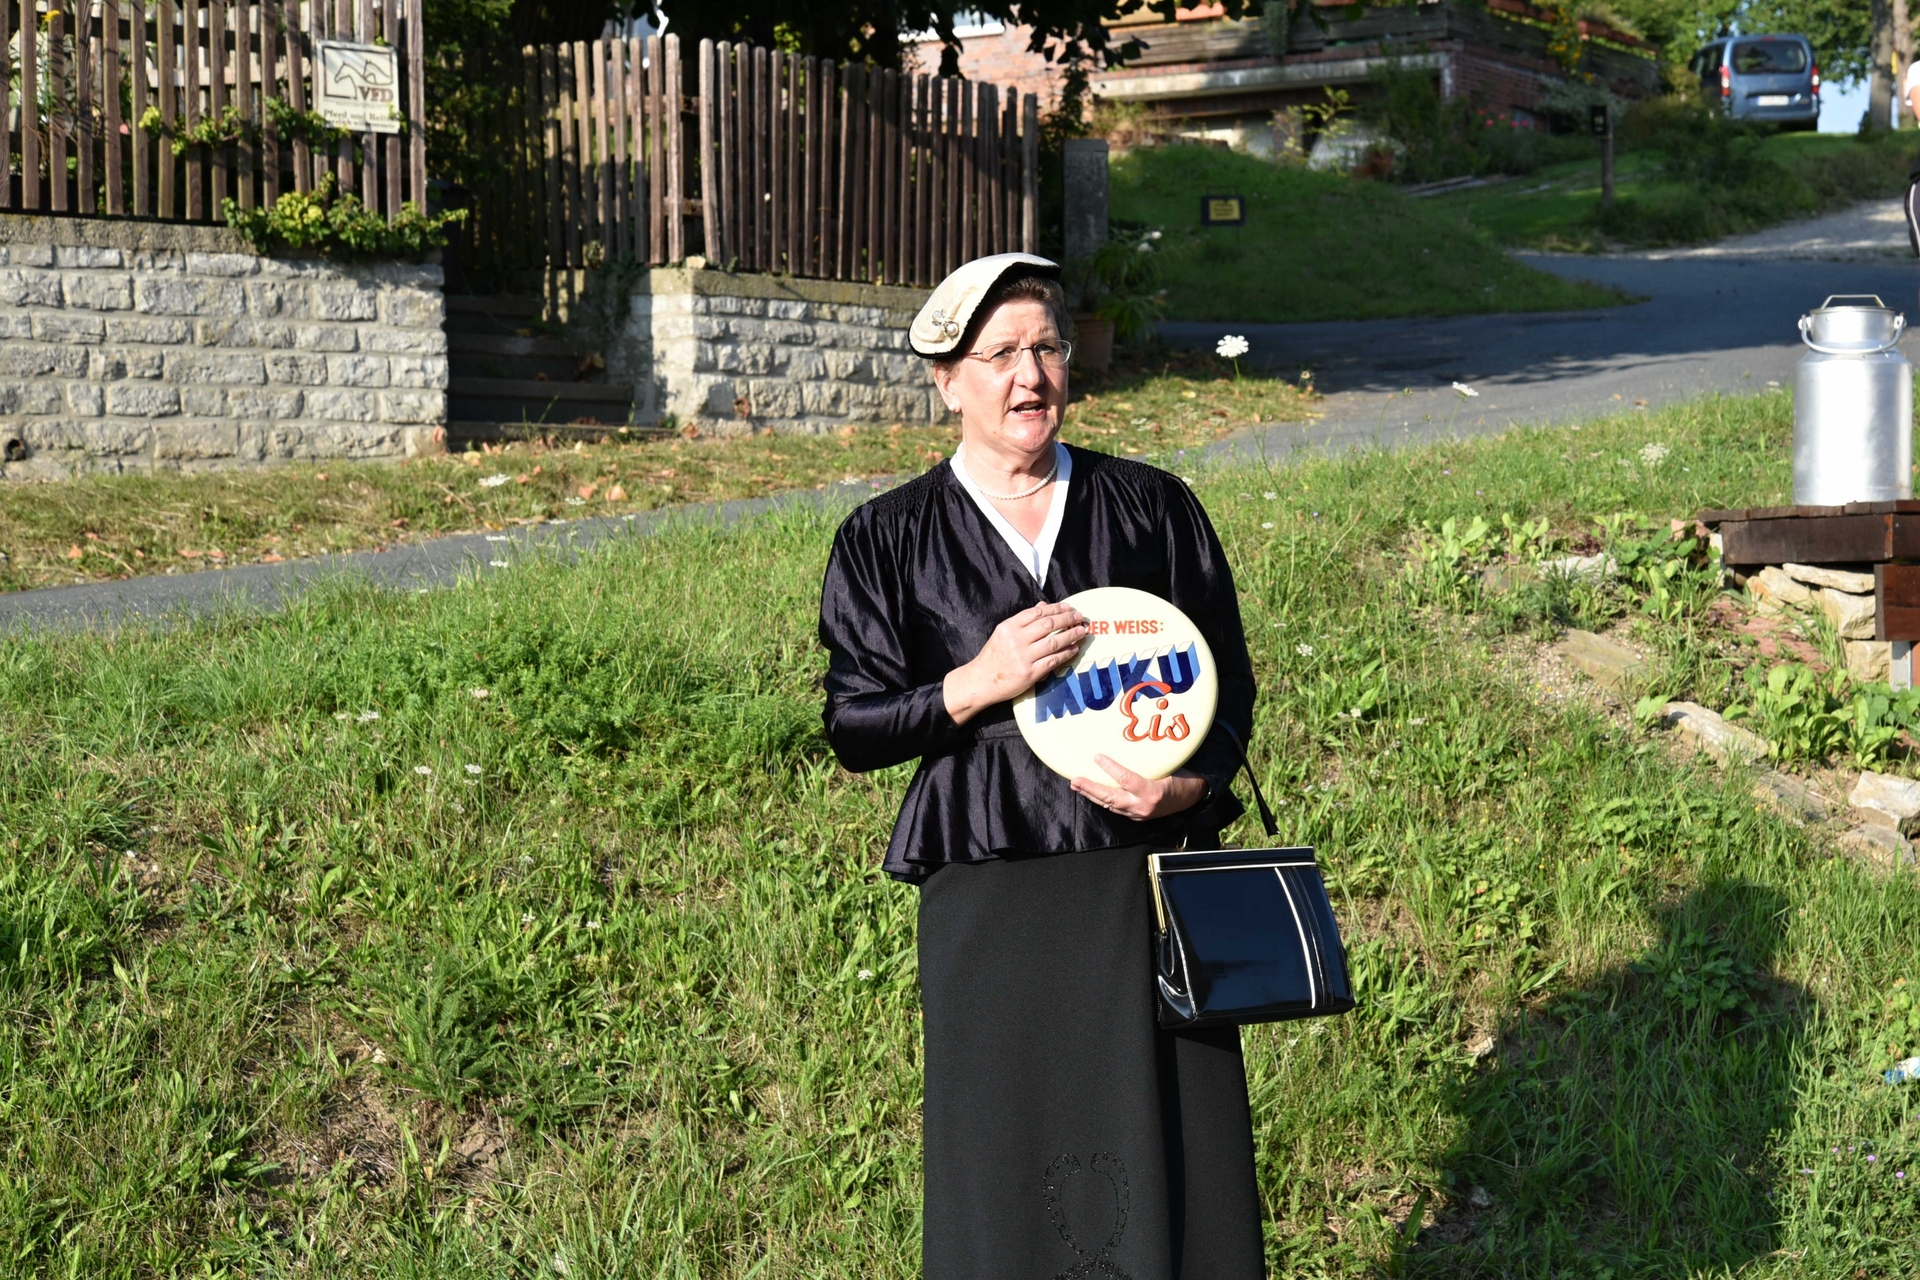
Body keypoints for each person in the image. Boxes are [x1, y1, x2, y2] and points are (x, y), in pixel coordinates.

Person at [816, 252, 1267, 1278]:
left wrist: (1189, 786)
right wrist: (973, 683)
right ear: (947, 380)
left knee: (1178, 1146)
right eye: (1000, 355)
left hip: (1146, 884)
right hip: (993, 894)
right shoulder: (886, 538)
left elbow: (1229, 685)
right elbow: (853, 725)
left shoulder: (1151, 506)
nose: (1031, 376)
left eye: (1048, 348)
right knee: (1006, 1155)